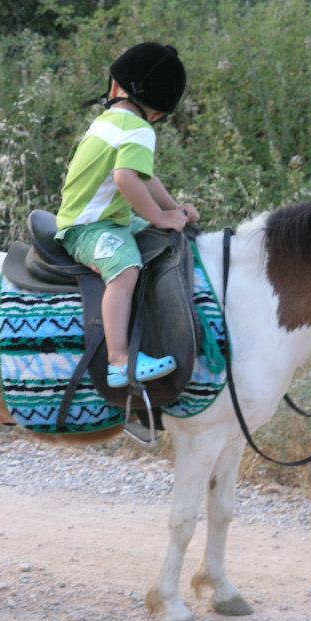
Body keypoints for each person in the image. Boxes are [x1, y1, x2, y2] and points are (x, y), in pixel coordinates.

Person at [55, 42, 200, 388]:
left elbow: (144, 178)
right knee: (125, 269)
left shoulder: (110, 120)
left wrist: (170, 208)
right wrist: (160, 217)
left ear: (118, 86)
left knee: (157, 236)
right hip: (88, 228)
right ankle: (120, 360)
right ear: (160, 110)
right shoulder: (137, 128)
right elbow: (125, 179)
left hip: (104, 218)